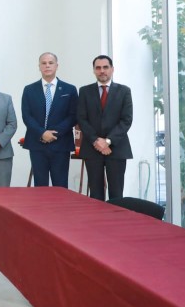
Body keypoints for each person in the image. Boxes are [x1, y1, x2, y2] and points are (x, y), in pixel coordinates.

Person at [77, 55, 133, 200]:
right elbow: (81, 119)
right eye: (98, 68)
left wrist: (107, 141)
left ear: (112, 69)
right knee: (95, 195)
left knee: (116, 195)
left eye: (105, 67)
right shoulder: (84, 91)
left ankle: (116, 217)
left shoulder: (124, 91)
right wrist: (96, 140)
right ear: (94, 71)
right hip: (92, 148)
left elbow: (126, 120)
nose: (102, 71)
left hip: (117, 148)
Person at [21, 52, 78, 187]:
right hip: (37, 143)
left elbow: (73, 115)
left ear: (57, 66)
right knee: (40, 186)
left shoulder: (69, 89)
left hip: (61, 143)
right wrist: (42, 133)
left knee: (60, 185)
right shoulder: (29, 89)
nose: (47, 66)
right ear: (39, 66)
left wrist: (54, 134)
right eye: (44, 63)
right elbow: (27, 116)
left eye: (50, 63)